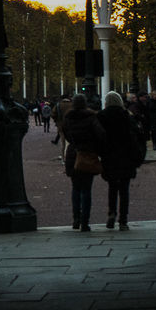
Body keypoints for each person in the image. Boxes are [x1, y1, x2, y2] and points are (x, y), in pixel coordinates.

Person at [97, 91, 144, 230]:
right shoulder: (126, 116)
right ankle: (123, 220)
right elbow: (136, 135)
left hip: (109, 156)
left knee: (112, 187)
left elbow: (99, 136)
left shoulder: (102, 116)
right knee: (124, 190)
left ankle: (111, 213)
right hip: (126, 156)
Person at [61, 93, 106, 231]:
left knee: (75, 188)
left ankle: (76, 219)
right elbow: (101, 135)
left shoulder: (68, 118)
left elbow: (66, 133)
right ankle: (85, 222)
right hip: (87, 154)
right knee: (86, 189)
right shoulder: (91, 117)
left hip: (72, 154)